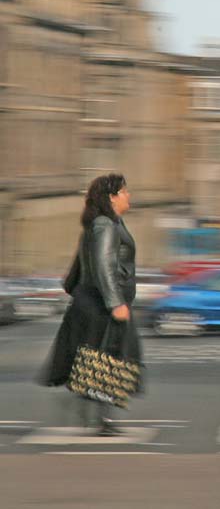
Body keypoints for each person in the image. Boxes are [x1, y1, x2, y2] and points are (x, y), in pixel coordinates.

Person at [40, 173, 141, 436]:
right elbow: (103, 264)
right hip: (101, 304)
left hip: (91, 300)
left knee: (102, 359)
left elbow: (80, 263)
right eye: (125, 191)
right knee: (109, 358)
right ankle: (101, 417)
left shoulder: (100, 224)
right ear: (112, 197)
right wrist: (115, 302)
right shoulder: (106, 225)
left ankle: (96, 411)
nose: (129, 195)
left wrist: (73, 287)